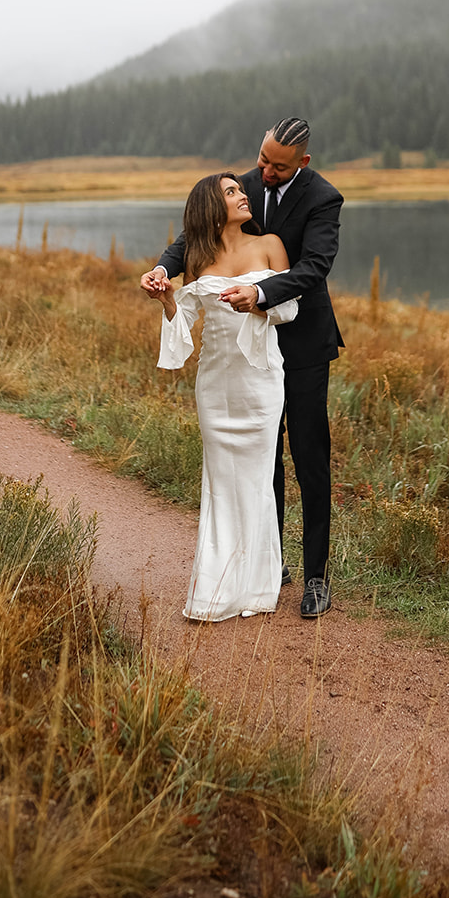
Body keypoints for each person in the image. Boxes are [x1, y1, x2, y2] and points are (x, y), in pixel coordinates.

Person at [142, 118, 344, 618]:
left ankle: (316, 576)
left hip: (300, 342)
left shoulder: (324, 199)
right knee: (264, 461)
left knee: (310, 457)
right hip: (234, 359)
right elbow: (193, 237)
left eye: (277, 166)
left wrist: (260, 294)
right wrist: (164, 270)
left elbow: (314, 267)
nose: (264, 172)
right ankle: (266, 565)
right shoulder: (243, 189)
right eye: (262, 159)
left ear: (302, 162)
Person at [150, 171, 297, 622]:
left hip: (261, 382)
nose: (242, 195)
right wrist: (166, 298)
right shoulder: (196, 260)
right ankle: (215, 586)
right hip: (215, 385)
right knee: (220, 482)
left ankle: (256, 589)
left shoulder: (270, 244)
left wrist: (257, 300)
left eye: (240, 189)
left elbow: (290, 308)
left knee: (256, 481)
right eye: (231, 192)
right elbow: (184, 323)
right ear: (212, 210)